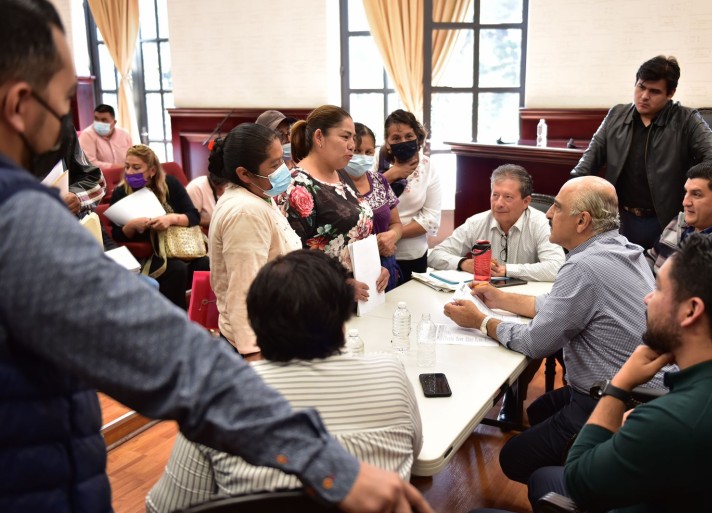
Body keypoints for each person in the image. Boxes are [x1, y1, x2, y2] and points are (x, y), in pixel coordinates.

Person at [0, 2, 432, 513]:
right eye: (64, 104)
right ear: (20, 105)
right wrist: (327, 465)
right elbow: (170, 355)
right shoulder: (19, 219)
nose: (68, 130)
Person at [147, 249, 423, 513]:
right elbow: (414, 454)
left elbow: (165, 507)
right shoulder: (391, 374)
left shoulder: (216, 401)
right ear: (342, 322)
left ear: (255, 325)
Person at [526, 235, 712, 512]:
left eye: (659, 289)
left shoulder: (672, 421)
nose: (647, 298)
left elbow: (578, 482)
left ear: (691, 311)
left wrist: (619, 385)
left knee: (538, 480)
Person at [443, 176, 661, 485]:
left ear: (582, 221)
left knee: (513, 458)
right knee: (540, 410)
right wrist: (499, 298)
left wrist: (480, 321)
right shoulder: (623, 249)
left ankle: (585, 479)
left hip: (619, 400)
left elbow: (536, 342)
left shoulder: (584, 266)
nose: (548, 213)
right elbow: (557, 304)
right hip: (642, 391)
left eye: (557, 207)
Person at [571, 55, 712, 249]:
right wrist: (571, 198)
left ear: (670, 93)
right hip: (619, 219)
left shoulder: (686, 119)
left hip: (665, 221)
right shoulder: (616, 115)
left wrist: (693, 190)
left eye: (654, 91)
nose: (644, 96)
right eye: (641, 87)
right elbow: (587, 164)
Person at [208, 122, 301, 355]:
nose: (284, 169)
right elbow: (243, 290)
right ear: (244, 174)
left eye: (282, 160)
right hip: (261, 341)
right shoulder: (245, 212)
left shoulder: (258, 196)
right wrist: (252, 353)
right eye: (275, 164)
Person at [279, 105, 389, 300]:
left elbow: (354, 234)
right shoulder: (297, 185)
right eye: (345, 137)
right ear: (319, 137)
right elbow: (292, 260)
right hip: (322, 301)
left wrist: (374, 268)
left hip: (362, 298)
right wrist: (340, 285)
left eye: (353, 138)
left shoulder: (341, 175)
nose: (352, 145)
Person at [110, 144, 209, 309]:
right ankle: (176, 317)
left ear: (152, 170)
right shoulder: (120, 192)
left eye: (136, 168)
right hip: (148, 255)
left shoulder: (170, 184)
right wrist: (131, 226)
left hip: (179, 248)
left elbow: (193, 216)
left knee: (204, 263)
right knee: (176, 269)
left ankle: (201, 314)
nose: (130, 172)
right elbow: (116, 235)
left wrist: (171, 219)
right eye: (127, 166)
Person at [428, 164, 564, 282]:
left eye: (508, 197)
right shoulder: (476, 223)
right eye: (495, 195)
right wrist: (464, 263)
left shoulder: (541, 224)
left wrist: (507, 270)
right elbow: (435, 255)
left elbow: (557, 267)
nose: (499, 204)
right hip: (484, 295)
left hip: (525, 298)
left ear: (526, 202)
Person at [646, 160, 712, 275]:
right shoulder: (678, 221)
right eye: (686, 192)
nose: (685, 202)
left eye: (696, 195)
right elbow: (652, 258)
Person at [372, 109, 441, 283]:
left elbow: (430, 219)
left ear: (417, 138)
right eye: (396, 138)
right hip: (375, 252)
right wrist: (390, 176)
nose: (403, 141)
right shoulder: (375, 160)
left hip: (413, 255)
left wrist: (395, 234)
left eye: (409, 136)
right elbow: (362, 201)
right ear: (387, 142)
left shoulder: (428, 167)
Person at [342, 122, 403, 290]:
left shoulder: (379, 180)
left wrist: (393, 235)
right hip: (350, 274)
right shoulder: (333, 184)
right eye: (357, 151)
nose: (363, 157)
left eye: (369, 152)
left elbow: (396, 223)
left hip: (386, 267)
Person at [78, 103, 133, 170]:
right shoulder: (87, 135)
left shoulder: (125, 135)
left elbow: (132, 157)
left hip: (126, 173)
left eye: (104, 120)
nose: (99, 123)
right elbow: (89, 163)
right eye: (96, 119)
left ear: (114, 122)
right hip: (100, 175)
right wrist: (115, 167)